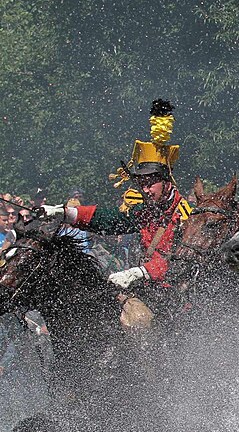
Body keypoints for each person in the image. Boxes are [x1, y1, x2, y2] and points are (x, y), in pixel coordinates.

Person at [39, 100, 191, 319]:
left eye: (151, 183)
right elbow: (110, 220)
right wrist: (65, 213)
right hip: (148, 291)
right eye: (142, 184)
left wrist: (141, 272)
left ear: (167, 182)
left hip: (177, 301)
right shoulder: (145, 211)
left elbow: (182, 262)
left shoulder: (186, 216)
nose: (145, 190)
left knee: (140, 321)